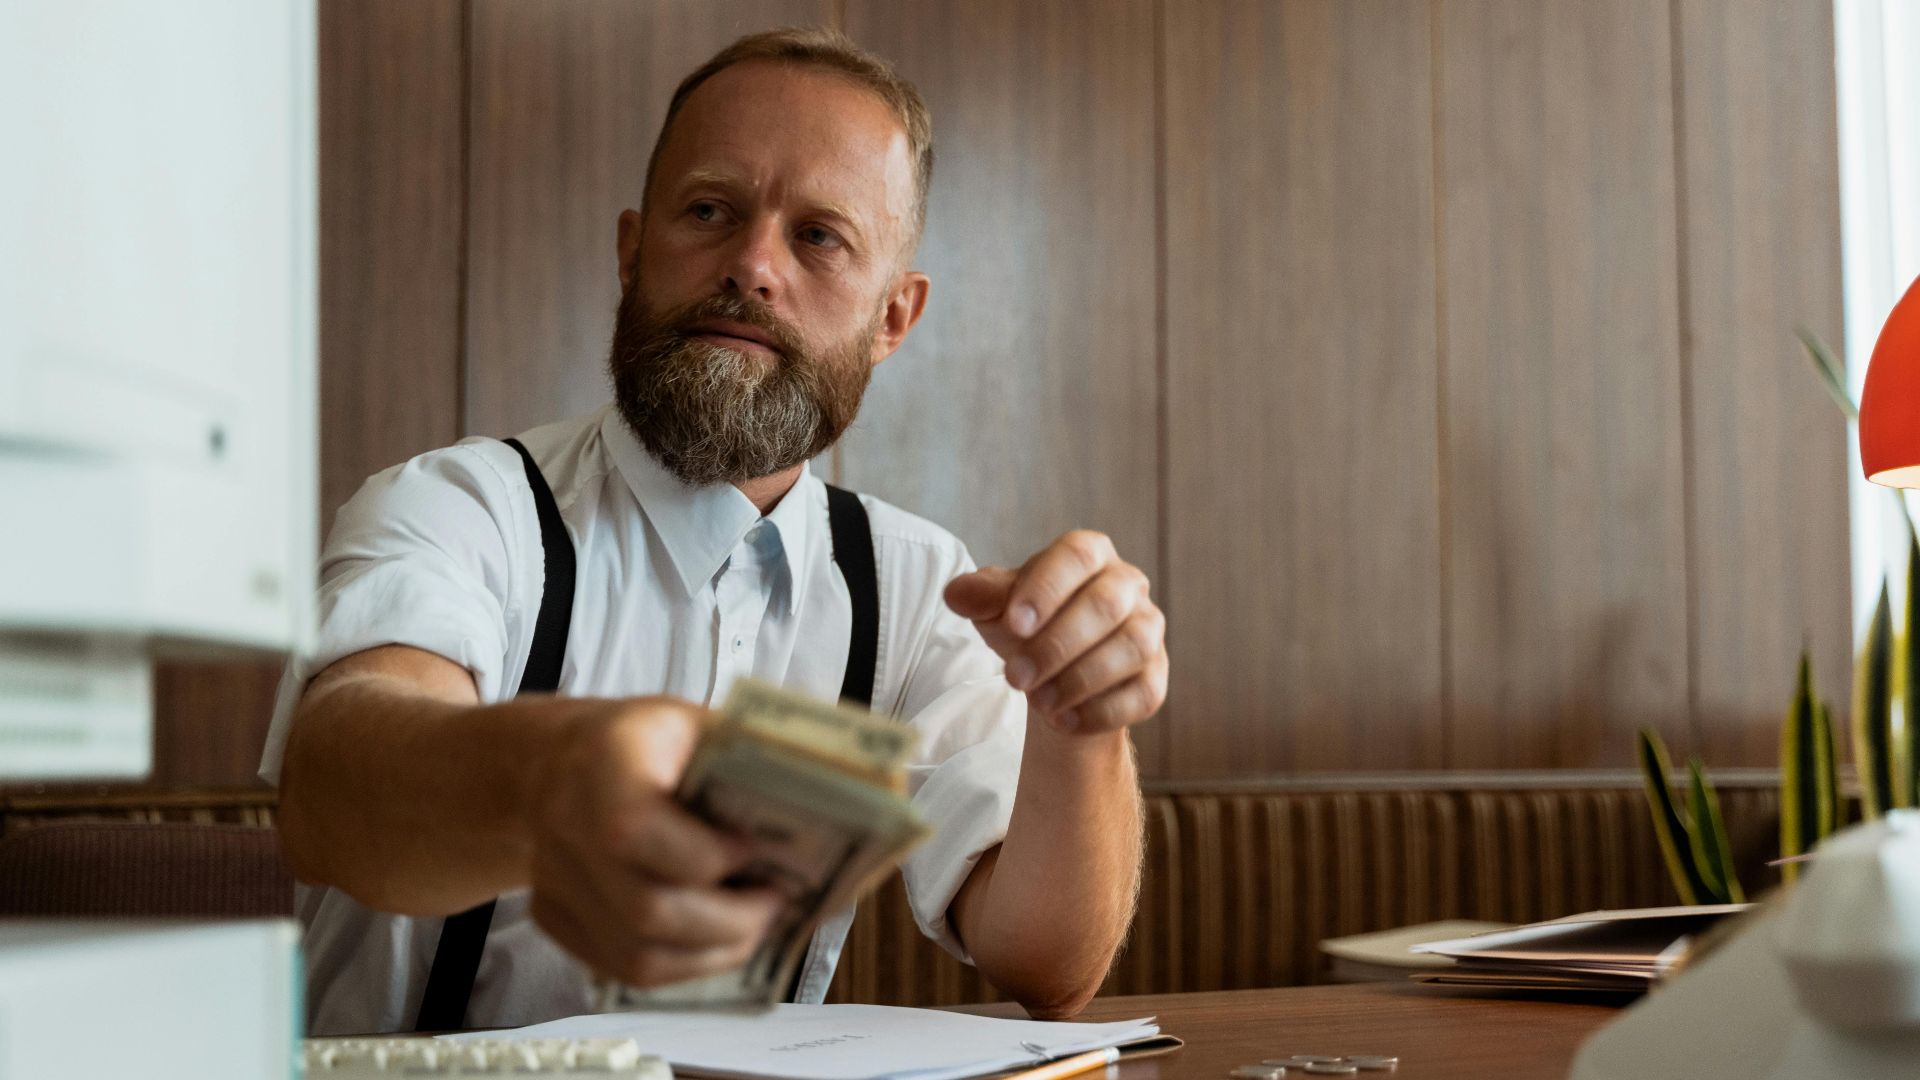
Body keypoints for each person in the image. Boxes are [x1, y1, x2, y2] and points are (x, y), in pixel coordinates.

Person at [265, 27, 1167, 1037]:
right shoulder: (462, 508)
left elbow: (1046, 964)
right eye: (709, 210)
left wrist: (1081, 723)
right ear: (631, 249)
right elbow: (335, 793)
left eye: (819, 236)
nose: (752, 264)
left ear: (893, 319)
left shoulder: (918, 589)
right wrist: (558, 782)